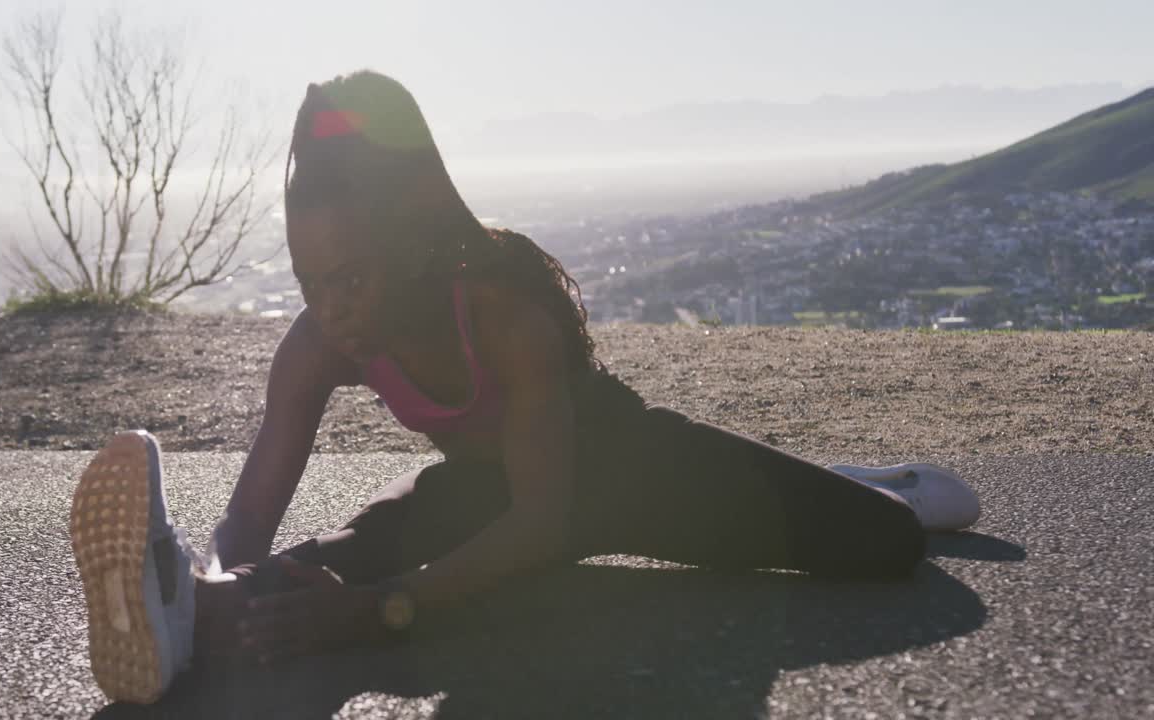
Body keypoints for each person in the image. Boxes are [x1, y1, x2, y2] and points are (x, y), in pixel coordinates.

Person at [68, 70, 981, 705]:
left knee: (886, 542)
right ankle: (179, 606)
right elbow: (252, 515)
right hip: (489, 494)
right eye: (311, 283)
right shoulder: (319, 344)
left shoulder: (505, 316)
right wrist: (228, 568)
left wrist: (386, 610)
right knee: (333, 560)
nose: (333, 310)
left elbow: (545, 528)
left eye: (352, 279)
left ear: (408, 244)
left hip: (629, 473)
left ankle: (863, 479)